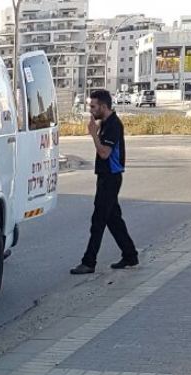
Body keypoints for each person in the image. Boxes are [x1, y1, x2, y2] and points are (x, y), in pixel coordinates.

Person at [70, 89, 138, 275]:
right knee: (113, 219)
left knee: (98, 220)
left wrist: (93, 134)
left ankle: (89, 262)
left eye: (93, 106)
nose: (90, 110)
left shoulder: (113, 125)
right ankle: (130, 255)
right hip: (106, 176)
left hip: (111, 177)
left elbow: (104, 153)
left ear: (104, 106)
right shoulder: (106, 123)